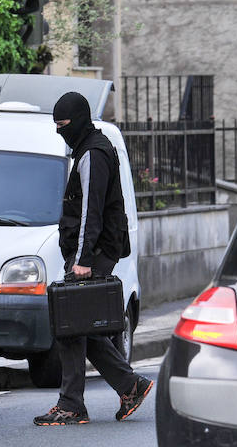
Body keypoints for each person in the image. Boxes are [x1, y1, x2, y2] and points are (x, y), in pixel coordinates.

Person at [34, 92, 154, 426]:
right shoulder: (92, 148)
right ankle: (130, 386)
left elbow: (91, 212)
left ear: (79, 120)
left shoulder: (93, 154)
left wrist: (83, 258)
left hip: (94, 252)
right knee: (79, 325)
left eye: (63, 124)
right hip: (97, 249)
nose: (60, 131)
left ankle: (72, 404)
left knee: (71, 325)